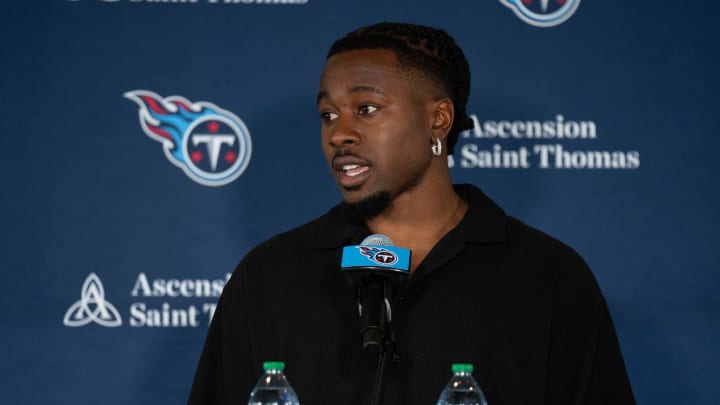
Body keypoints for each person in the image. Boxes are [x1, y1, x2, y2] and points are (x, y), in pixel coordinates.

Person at [188, 22, 635, 404]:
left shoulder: (548, 276)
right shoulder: (267, 276)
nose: (339, 133)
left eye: (366, 109)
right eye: (327, 114)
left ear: (438, 119)